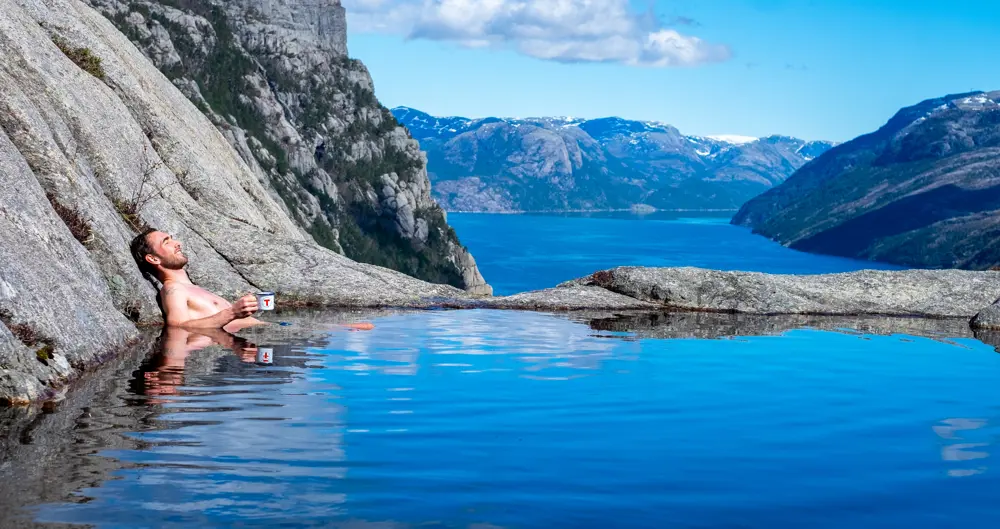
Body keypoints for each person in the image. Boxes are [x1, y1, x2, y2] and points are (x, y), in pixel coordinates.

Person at [130, 228, 262, 332]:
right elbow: (177, 325)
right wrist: (232, 312)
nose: (177, 244)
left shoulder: (193, 288)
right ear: (153, 259)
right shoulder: (173, 289)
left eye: (172, 239)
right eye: (166, 242)